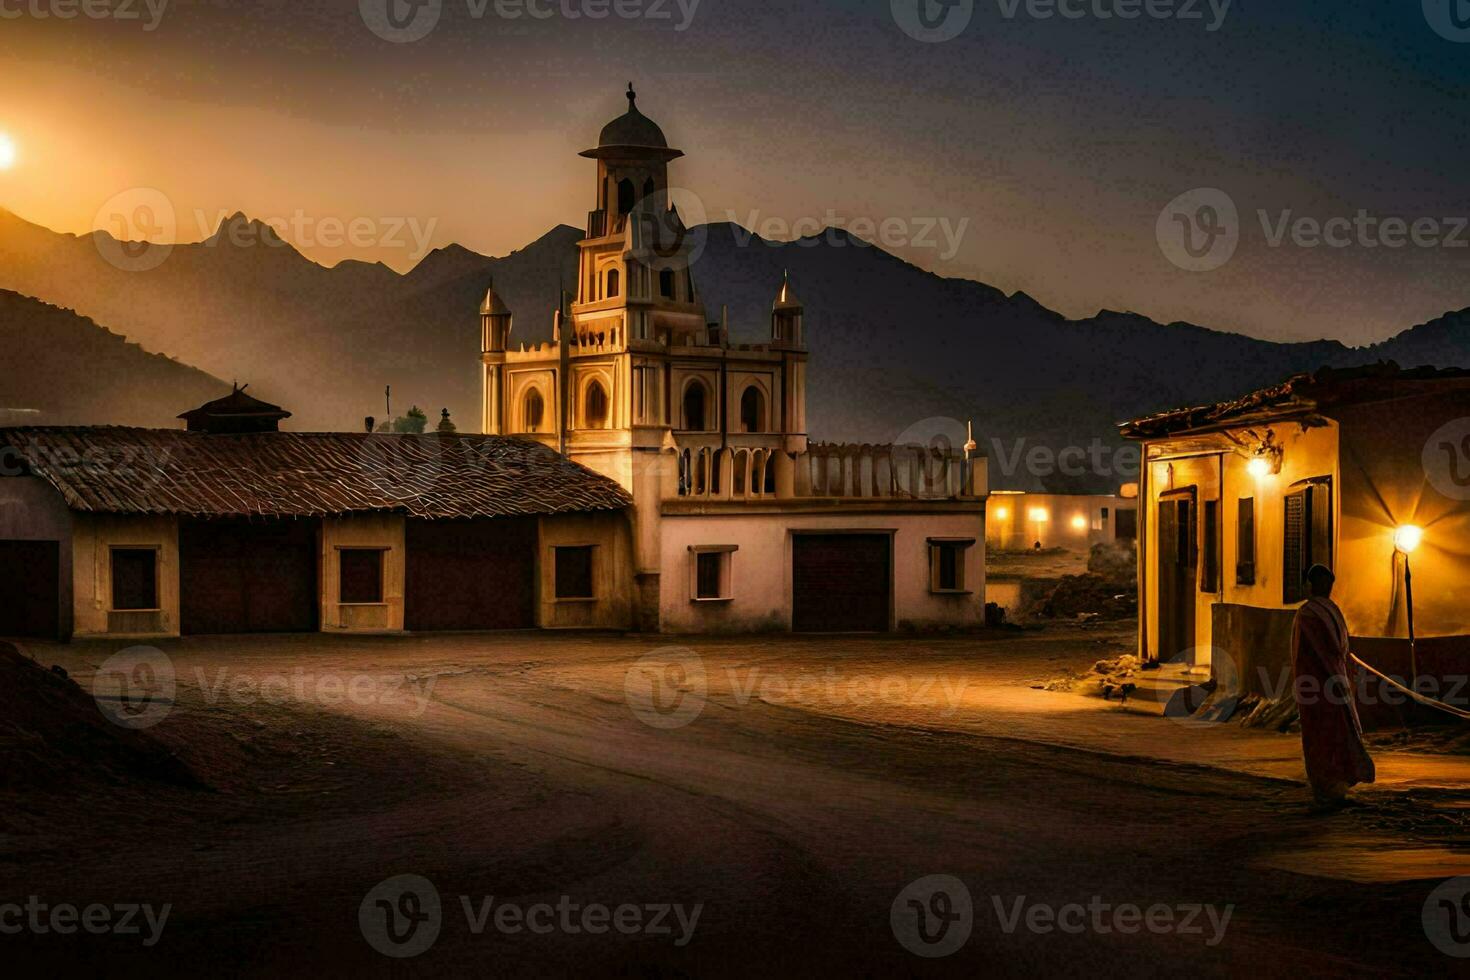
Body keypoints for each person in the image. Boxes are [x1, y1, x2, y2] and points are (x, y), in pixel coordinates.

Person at [1291, 564, 1375, 808]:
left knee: (1320, 736)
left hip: (1315, 687)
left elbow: (1305, 653)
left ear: (1311, 584)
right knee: (1338, 733)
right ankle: (1338, 783)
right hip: (1338, 683)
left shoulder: (1307, 614)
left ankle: (1326, 786)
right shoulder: (1334, 611)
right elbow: (1342, 651)